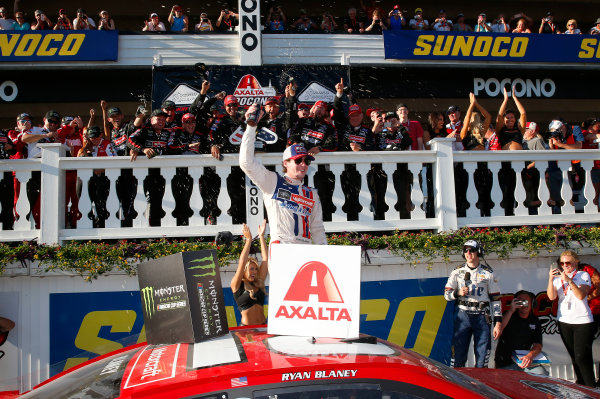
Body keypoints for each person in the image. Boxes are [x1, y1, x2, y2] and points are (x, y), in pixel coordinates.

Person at [239, 103, 327, 245]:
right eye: (298, 160)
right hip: (282, 250)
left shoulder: (312, 194)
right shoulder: (273, 182)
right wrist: (250, 127)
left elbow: (317, 229)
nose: (303, 164)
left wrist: (324, 258)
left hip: (306, 253)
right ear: (286, 163)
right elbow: (246, 163)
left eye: (307, 161)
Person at [444, 240, 502, 368]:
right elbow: (446, 296)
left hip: (482, 316)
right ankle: (457, 385)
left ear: (479, 252)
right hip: (462, 315)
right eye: (465, 250)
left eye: (472, 250)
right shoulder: (457, 272)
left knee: (482, 359)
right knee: (458, 357)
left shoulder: (488, 273)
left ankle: (480, 386)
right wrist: (457, 293)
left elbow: (496, 299)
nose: (468, 253)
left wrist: (498, 323)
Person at [547, 250, 596, 387]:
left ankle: (591, 387)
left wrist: (569, 281)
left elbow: (581, 295)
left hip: (582, 321)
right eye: (562, 263)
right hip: (564, 320)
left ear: (575, 262)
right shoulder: (558, 278)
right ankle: (581, 384)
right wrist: (551, 279)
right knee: (574, 356)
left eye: (567, 262)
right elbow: (551, 297)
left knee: (582, 356)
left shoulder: (582, 275)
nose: (564, 265)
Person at [494, 290, 548, 375]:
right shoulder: (508, 316)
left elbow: (538, 345)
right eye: (520, 301)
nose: (523, 304)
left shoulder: (534, 320)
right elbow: (499, 329)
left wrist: (530, 355)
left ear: (532, 303)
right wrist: (511, 310)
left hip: (525, 362)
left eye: (526, 301)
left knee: (542, 374)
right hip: (506, 362)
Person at [231, 221, 268, 326]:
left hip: (263, 326)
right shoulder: (237, 285)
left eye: (256, 269)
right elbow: (242, 263)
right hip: (246, 330)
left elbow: (265, 260)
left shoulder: (258, 282)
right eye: (251, 269)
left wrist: (261, 236)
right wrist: (248, 240)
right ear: (245, 270)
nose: (255, 272)